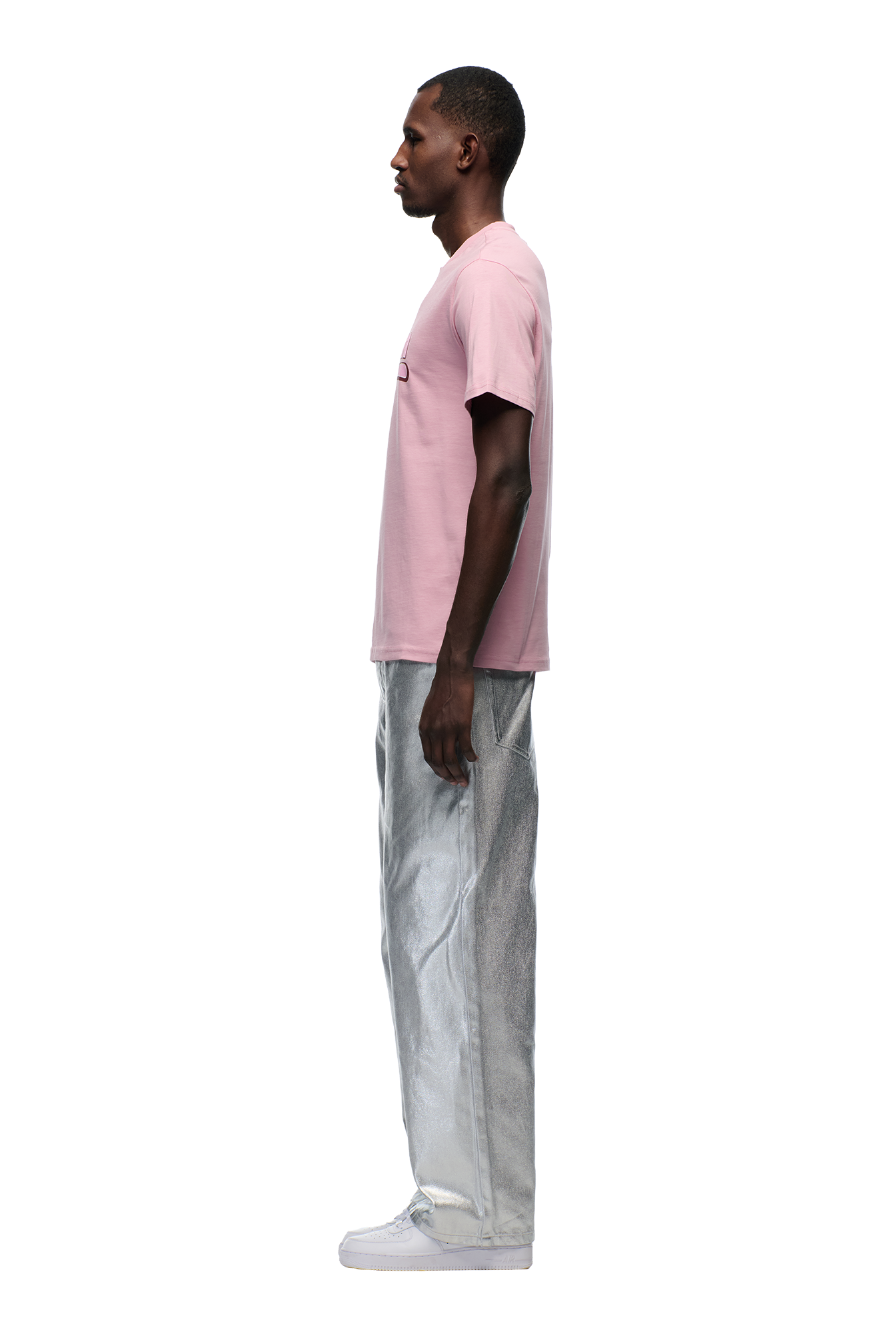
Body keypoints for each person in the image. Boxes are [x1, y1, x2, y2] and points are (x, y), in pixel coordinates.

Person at [339, 66, 552, 1274]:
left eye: (413, 136)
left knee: (453, 918)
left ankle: (470, 1214)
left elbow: (505, 472)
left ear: (468, 150)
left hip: (453, 652)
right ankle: (473, 1203)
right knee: (437, 913)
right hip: (434, 647)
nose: (397, 154)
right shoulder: (469, 277)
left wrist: (458, 667)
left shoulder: (495, 274)